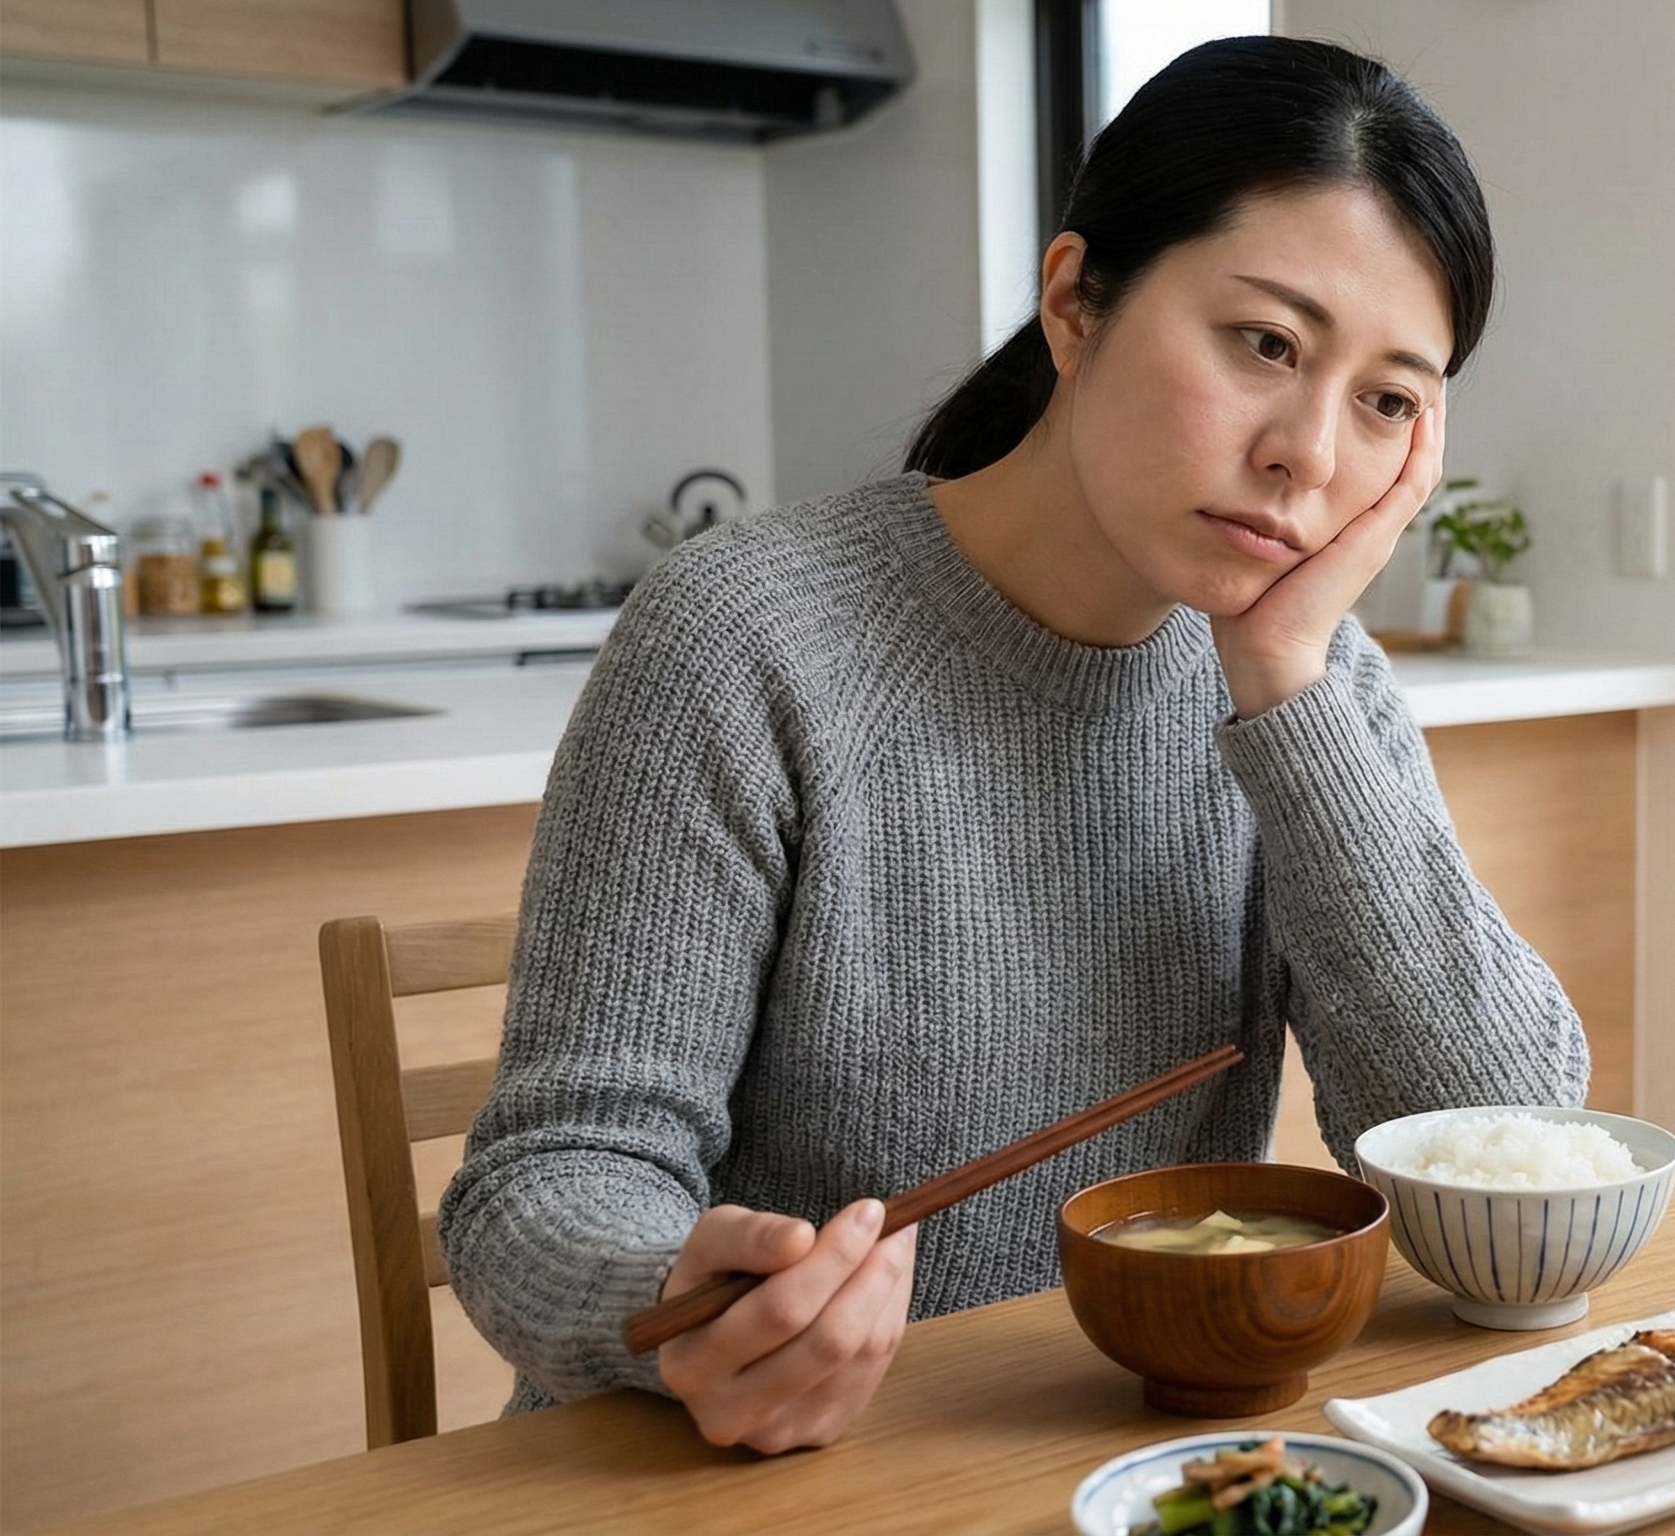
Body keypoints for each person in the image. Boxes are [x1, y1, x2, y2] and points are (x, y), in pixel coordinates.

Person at [439, 36, 1589, 1454]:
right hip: (745, 1468)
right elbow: (553, 1174)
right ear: (1074, 304)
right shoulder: (743, 639)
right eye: (1266, 344)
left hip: (1124, 1463)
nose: (1307, 451)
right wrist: (669, 1295)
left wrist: (1288, 692)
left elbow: (1515, 1164)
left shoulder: (1307, 687)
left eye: (1387, 401)